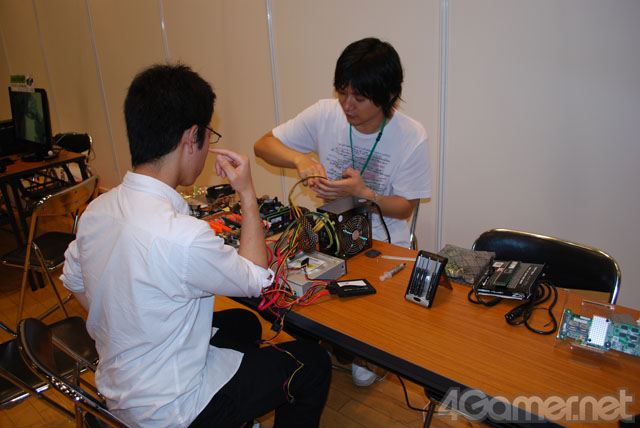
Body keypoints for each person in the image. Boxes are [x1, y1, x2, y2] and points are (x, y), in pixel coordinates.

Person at [61, 63, 331, 428]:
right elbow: (256, 277)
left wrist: (125, 324)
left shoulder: (97, 211)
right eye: (209, 135)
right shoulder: (182, 236)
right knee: (313, 363)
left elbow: (74, 279)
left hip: (120, 391)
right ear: (192, 137)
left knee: (243, 323)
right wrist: (246, 192)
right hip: (176, 412)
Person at [254, 37, 431, 249]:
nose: (347, 106)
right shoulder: (324, 114)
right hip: (331, 237)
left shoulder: (412, 136)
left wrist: (364, 194)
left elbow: (404, 209)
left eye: (359, 99)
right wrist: (300, 160)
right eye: (342, 93)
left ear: (389, 95)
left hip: (384, 243)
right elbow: (263, 146)